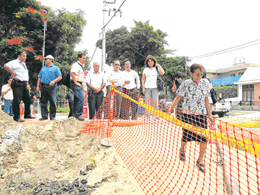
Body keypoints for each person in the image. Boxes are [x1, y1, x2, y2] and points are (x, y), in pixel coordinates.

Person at [168, 63, 213, 174]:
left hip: (201, 114)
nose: (199, 76)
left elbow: (207, 100)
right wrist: (170, 109)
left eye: (201, 74)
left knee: (203, 139)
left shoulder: (205, 83)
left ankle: (200, 160)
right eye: (197, 74)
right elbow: (178, 97)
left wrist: (210, 114)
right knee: (186, 135)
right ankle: (182, 150)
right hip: (188, 114)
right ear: (191, 73)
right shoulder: (186, 84)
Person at [4, 50, 35, 122]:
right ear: (19, 56)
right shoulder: (14, 62)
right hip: (18, 83)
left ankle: (27, 114)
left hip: (24, 83)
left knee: (27, 99)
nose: (25, 57)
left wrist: (27, 84)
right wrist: (12, 72)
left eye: (25, 56)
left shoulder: (23, 64)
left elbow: (24, 74)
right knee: (17, 100)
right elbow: (5, 66)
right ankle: (16, 117)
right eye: (23, 56)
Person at [36, 55, 62, 121]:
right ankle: (44, 116)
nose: (45, 60)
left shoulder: (56, 68)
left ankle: (52, 116)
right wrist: (38, 86)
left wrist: (54, 81)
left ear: (51, 60)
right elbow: (39, 77)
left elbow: (60, 77)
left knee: (52, 101)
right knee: (43, 101)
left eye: (46, 59)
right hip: (43, 86)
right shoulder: (43, 68)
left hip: (52, 86)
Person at [142, 55, 165, 119]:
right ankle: (147, 116)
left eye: (151, 61)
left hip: (155, 87)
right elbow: (143, 79)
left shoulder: (156, 68)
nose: (150, 62)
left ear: (154, 62)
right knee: (147, 102)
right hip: (147, 87)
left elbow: (163, 73)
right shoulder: (145, 69)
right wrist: (143, 87)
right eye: (149, 61)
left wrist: (159, 66)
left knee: (155, 102)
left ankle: (156, 116)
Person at [70, 53, 86, 121]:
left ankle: (74, 114)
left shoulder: (81, 66)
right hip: (75, 83)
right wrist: (76, 82)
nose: (84, 59)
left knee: (76, 99)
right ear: (79, 58)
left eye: (85, 58)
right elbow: (73, 73)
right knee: (81, 98)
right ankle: (78, 114)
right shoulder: (76, 65)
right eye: (83, 58)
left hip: (78, 83)